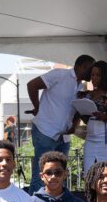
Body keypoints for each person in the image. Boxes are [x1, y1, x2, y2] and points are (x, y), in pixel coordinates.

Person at [25, 54, 95, 193]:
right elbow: (32, 85)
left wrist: (74, 124)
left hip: (63, 137)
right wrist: (37, 107)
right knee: (41, 175)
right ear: (83, 66)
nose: (93, 74)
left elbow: (76, 109)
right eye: (91, 70)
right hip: (45, 131)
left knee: (58, 175)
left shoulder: (80, 86)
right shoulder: (59, 75)